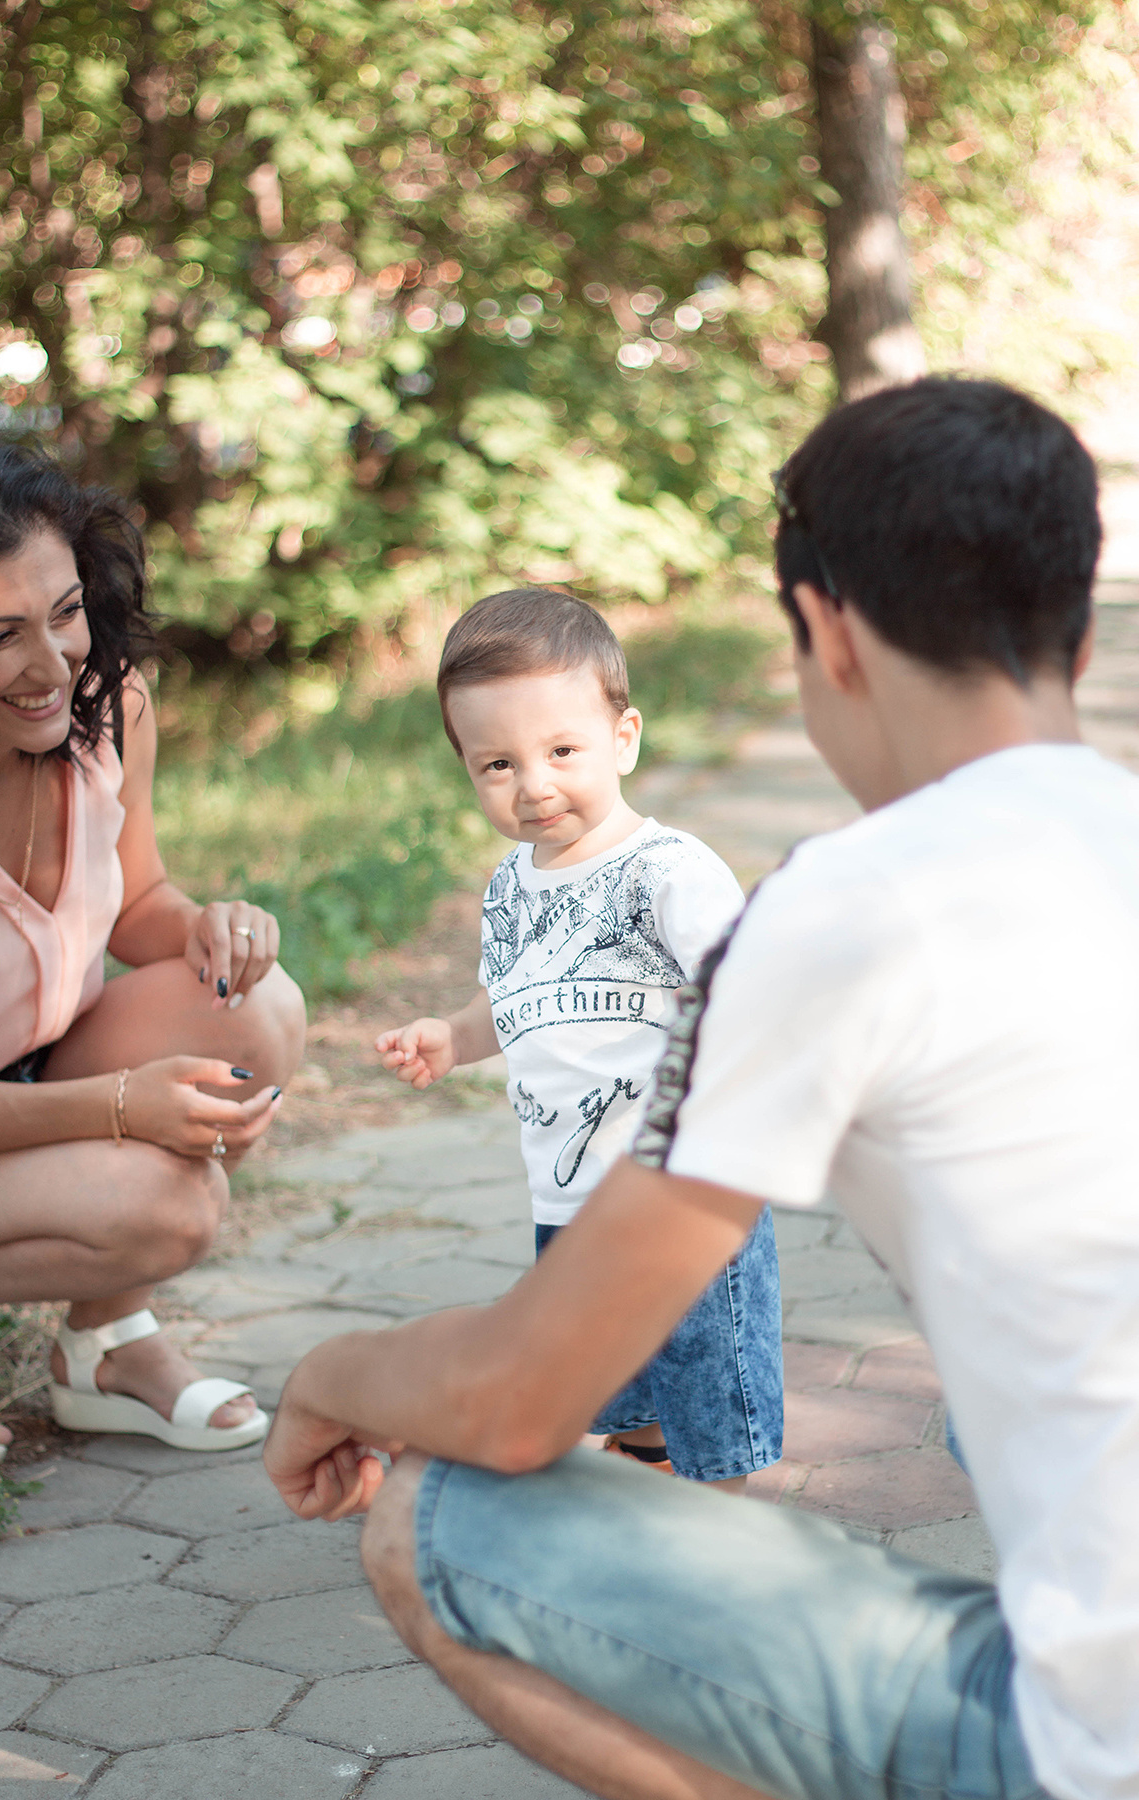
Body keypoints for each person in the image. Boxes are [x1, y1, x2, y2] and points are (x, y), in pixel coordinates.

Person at [265, 374, 1136, 1800]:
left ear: (822, 632)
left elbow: (514, 1404)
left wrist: (326, 1375)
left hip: (1082, 1740)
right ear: (1081, 624)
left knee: (437, 1511)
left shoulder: (840, 909)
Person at [0, 442, 306, 1470]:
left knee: (256, 1011)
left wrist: (204, 926)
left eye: (65, 612)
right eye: (0, 637)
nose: (54, 665)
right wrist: (114, 1109)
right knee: (167, 1199)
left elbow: (136, 898)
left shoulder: (109, 706)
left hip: (27, 1070)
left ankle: (104, 1344)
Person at [374, 589, 781, 1488]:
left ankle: (720, 1519)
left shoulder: (667, 871)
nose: (535, 785)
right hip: (568, 1195)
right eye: (497, 765)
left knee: (703, 1364)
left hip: (680, 1193)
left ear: (624, 737)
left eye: (562, 751)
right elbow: (514, 1000)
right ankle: (641, 1451)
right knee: (609, 1363)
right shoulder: (510, 888)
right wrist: (452, 1035)